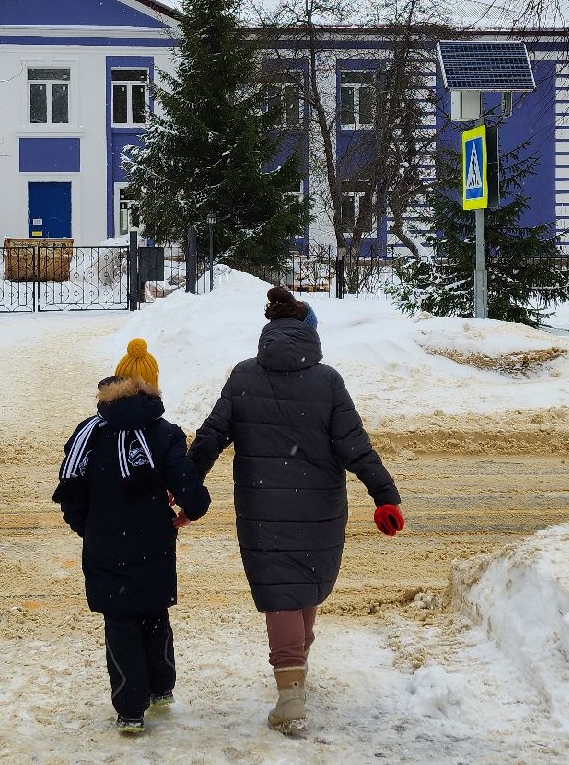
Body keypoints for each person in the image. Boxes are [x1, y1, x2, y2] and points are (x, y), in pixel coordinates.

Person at [189, 307, 402, 737]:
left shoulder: (244, 376)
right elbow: (355, 446)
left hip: (262, 506)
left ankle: (291, 692)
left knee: (282, 590)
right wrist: (384, 494)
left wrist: (187, 485)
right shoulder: (327, 381)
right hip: (320, 505)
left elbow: (211, 434)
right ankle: (295, 678)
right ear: (312, 337)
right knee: (305, 581)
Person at [53, 340, 210, 737]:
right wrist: (190, 510)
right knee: (155, 613)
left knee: (120, 622)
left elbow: (70, 490)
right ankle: (161, 689)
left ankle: (129, 709)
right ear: (152, 388)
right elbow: (188, 486)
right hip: (154, 541)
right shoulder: (165, 434)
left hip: (104, 543)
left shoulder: (88, 433)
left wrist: (87, 527)